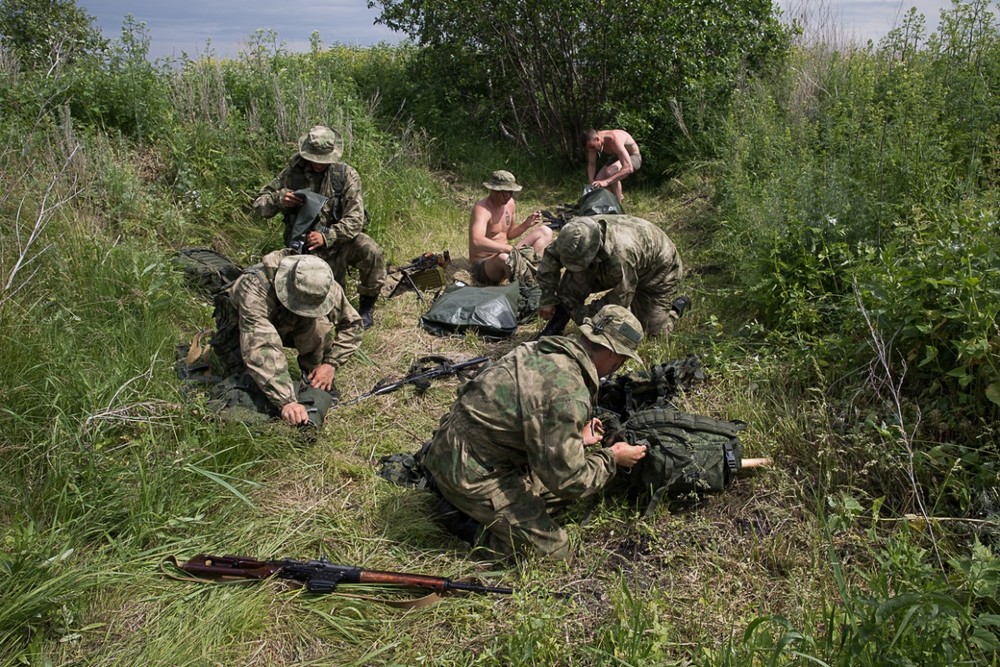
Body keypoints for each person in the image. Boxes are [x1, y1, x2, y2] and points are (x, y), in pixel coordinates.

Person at [421, 304, 649, 561]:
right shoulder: (568, 391)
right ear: (613, 354)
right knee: (554, 551)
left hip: (450, 447)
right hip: (469, 473)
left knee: (547, 493)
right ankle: (461, 521)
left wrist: (576, 438)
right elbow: (570, 482)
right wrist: (612, 457)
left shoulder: (542, 349)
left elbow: (527, 414)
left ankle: (462, 499)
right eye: (623, 360)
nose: (620, 366)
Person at [252, 125, 386, 328]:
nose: (317, 164)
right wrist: (281, 199)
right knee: (316, 305)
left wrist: (328, 236)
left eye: (322, 160)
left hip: (339, 242)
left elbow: (355, 220)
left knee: (371, 251)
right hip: (303, 246)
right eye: (313, 159)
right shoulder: (293, 171)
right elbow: (259, 206)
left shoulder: (345, 175)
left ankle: (366, 308)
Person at [211, 250, 363, 426]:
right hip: (241, 327)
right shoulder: (255, 287)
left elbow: (353, 325)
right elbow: (261, 346)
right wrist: (287, 401)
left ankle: (314, 377)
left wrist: (330, 364)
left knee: (320, 327)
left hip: (283, 321)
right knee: (245, 384)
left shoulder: (321, 284)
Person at [535, 215, 688, 339]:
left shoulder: (621, 255)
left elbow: (619, 301)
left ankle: (676, 307)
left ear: (593, 250)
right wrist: (548, 298)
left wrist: (583, 314)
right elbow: (551, 256)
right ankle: (556, 325)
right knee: (571, 286)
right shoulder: (577, 232)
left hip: (658, 270)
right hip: (617, 259)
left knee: (652, 333)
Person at [468, 170, 553, 286]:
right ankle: (526, 286)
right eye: (505, 193)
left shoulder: (510, 203)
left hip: (509, 253)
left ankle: (533, 271)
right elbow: (476, 241)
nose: (508, 196)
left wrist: (526, 224)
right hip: (485, 263)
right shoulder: (482, 209)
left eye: (511, 192)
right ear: (494, 191)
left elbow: (509, 234)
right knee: (504, 258)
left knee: (545, 231)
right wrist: (506, 249)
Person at [583, 128, 642, 203]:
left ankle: (618, 203)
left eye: (592, 147)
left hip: (633, 156)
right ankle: (612, 198)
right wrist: (591, 180)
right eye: (589, 149)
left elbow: (628, 168)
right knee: (597, 183)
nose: (591, 150)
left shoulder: (614, 139)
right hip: (617, 157)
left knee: (610, 172)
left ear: (597, 139)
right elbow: (591, 164)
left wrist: (607, 182)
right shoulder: (592, 143)